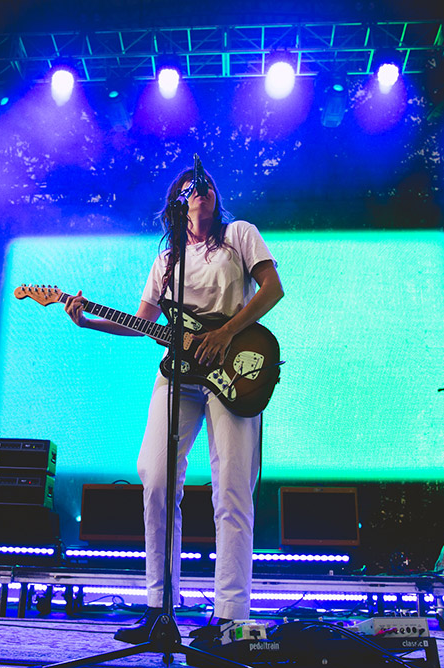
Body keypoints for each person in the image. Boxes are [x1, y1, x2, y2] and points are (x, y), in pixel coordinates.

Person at [64, 166, 284, 643]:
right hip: (178, 376)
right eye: (191, 186)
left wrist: (224, 332)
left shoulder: (240, 235)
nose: (201, 189)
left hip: (234, 369)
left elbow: (273, 289)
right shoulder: (167, 261)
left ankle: (230, 615)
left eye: (207, 184)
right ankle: (159, 607)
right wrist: (88, 322)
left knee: (232, 488)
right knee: (156, 477)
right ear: (179, 202)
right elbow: (143, 321)